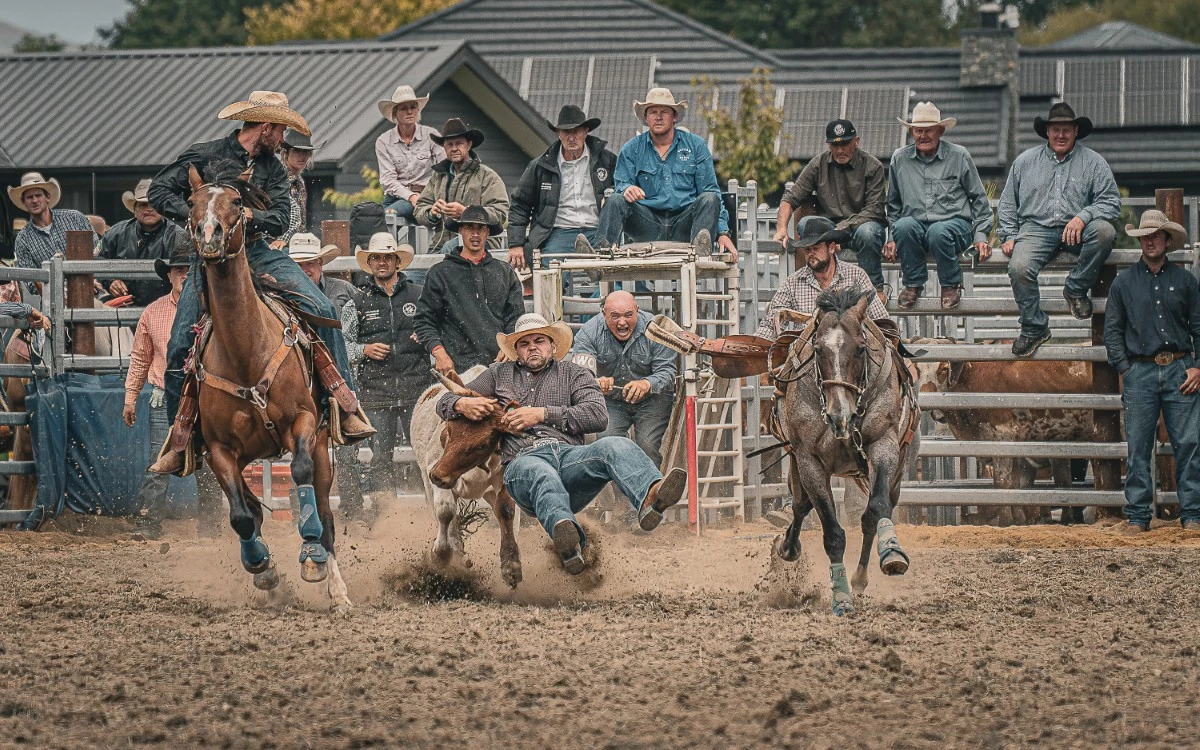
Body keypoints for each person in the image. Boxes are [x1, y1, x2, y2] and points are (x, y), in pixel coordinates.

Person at [146, 90, 373, 476]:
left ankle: (344, 405)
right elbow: (158, 191)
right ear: (265, 127)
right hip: (211, 258)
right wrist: (200, 213)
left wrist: (249, 216)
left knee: (323, 309)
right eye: (281, 131)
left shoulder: (273, 169)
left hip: (256, 252)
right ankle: (181, 438)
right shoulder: (205, 154)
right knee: (179, 342)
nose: (283, 139)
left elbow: (282, 217)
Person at [435, 313, 688, 574]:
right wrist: (460, 402)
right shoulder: (498, 374)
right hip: (523, 464)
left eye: (539, 341)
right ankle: (566, 537)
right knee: (540, 472)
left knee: (615, 445)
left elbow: (598, 416)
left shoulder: (574, 374)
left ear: (552, 346)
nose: (532, 347)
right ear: (516, 352)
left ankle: (651, 497)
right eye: (524, 344)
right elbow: (443, 402)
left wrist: (542, 413)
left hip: (569, 459)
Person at [1104, 211, 1200, 533]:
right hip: (1140, 370)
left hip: (1179, 368)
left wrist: (1197, 366)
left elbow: (1199, 328)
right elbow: (1113, 331)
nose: (1150, 240)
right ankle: (1139, 516)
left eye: (1156, 235)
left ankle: (1193, 515)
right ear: (1140, 241)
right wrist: (1126, 369)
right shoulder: (1123, 283)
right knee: (1138, 446)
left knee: (1188, 443)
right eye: (1145, 236)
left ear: (1167, 240)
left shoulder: (1186, 281)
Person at [999, 103, 1120, 357]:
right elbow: (1008, 203)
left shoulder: (1094, 162)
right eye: (1056, 130)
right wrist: (1009, 235)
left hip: (1078, 228)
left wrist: (1084, 216)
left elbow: (1111, 202)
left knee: (1104, 232)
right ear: (1047, 132)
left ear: (1076, 131)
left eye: (1066, 129)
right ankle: (1034, 327)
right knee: (1019, 268)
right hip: (1036, 228)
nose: (1061, 135)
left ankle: (1075, 288)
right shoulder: (1024, 162)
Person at [122, 240, 223, 539]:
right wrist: (130, 397)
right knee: (160, 456)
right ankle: (149, 521)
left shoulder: (212, 308)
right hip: (165, 395)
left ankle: (210, 524)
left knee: (211, 459)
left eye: (188, 270)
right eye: (178, 270)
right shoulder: (153, 313)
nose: (182, 275)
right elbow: (140, 357)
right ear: (168, 275)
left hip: (206, 395)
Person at [596, 88, 737, 258]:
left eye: (664, 112)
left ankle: (700, 254)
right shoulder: (631, 149)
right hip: (647, 223)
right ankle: (602, 255)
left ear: (674, 117)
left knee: (710, 198)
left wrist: (723, 233)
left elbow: (711, 191)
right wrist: (626, 189)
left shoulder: (696, 146)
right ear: (646, 118)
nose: (658, 116)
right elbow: (621, 184)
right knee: (615, 198)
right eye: (653, 112)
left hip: (686, 223)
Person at [883, 102, 992, 311]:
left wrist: (980, 236)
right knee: (903, 226)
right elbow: (894, 204)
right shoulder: (899, 159)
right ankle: (913, 283)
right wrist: (891, 238)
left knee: (938, 231)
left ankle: (950, 284)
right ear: (911, 132)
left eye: (929, 130)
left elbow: (979, 199)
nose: (923, 136)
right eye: (918, 130)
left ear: (940, 131)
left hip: (954, 225)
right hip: (915, 227)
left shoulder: (959, 156)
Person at [351, 232, 428, 512]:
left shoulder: (420, 296)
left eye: (387, 257)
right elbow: (344, 344)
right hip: (376, 391)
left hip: (416, 389)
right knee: (381, 457)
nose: (382, 262)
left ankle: (430, 513)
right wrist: (364, 350)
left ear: (397, 261)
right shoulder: (358, 302)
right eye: (376, 258)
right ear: (370, 263)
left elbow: (438, 329)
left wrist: (427, 337)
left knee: (424, 453)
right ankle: (387, 515)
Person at [774, 119, 887, 292]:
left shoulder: (873, 166)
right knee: (805, 224)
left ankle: (873, 290)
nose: (840, 150)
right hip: (828, 233)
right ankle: (809, 286)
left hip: (861, 228)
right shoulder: (818, 164)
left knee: (869, 232)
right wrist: (781, 228)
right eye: (835, 145)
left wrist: (841, 229)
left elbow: (875, 209)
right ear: (828, 145)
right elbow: (790, 198)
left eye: (845, 143)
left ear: (856, 141)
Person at [570, 291, 676, 468]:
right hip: (611, 401)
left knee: (648, 446)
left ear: (637, 311)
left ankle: (650, 491)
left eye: (628, 315)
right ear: (604, 314)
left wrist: (646, 383)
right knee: (608, 442)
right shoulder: (588, 332)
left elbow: (667, 370)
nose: (622, 322)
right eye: (615, 316)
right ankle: (623, 492)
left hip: (653, 399)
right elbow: (580, 375)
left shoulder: (657, 330)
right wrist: (595, 383)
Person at [414, 205, 524, 376]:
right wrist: (439, 353)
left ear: (487, 232)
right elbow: (424, 319)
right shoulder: (440, 272)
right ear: (460, 231)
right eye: (469, 227)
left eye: (481, 228)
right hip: (456, 367)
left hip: (498, 365)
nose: (475, 233)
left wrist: (509, 344)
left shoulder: (504, 272)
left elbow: (515, 318)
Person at [507, 105, 616, 271]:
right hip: (558, 233)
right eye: (566, 132)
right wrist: (515, 244)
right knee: (550, 276)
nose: (571, 137)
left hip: (599, 231)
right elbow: (519, 205)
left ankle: (595, 294)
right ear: (558, 133)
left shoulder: (608, 160)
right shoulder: (540, 166)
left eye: (576, 131)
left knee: (611, 275)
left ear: (586, 131)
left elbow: (624, 191)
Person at [757, 217, 890, 340]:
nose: (811, 254)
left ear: (831, 248)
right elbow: (770, 325)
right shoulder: (793, 283)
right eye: (807, 249)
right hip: (806, 357)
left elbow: (881, 321)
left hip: (850, 358)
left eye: (816, 248)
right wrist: (754, 345)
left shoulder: (857, 276)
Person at [413, 118, 508, 253]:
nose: (454, 148)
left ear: (469, 145)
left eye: (459, 143)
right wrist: (432, 213)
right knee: (413, 273)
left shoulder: (488, 176)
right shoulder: (437, 177)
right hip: (440, 245)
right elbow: (419, 209)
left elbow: (500, 213)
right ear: (444, 148)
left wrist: (466, 213)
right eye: (449, 144)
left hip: (481, 244)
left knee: (447, 253)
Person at [99, 178, 187, 307]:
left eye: (154, 204)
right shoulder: (115, 233)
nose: (149, 209)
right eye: (143, 204)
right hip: (122, 309)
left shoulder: (178, 236)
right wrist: (110, 280)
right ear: (134, 209)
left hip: (166, 308)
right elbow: (98, 259)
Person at [9, 172, 97, 294]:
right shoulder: (23, 239)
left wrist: (90, 280)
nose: (34, 200)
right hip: (52, 302)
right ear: (23, 202)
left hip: (91, 290)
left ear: (48, 197)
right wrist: (62, 289)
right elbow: (31, 283)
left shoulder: (75, 218)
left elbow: (97, 250)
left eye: (38, 195)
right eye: (29, 197)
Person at [376, 86, 444, 223]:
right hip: (395, 198)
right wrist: (411, 196)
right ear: (395, 113)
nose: (409, 111)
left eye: (413, 107)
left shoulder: (432, 136)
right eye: (403, 108)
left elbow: (445, 170)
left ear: (418, 111)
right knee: (373, 218)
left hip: (426, 197)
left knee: (383, 220)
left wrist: (432, 196)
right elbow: (388, 180)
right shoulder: (383, 141)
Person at [269, 130, 316, 249]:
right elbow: (293, 211)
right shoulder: (280, 176)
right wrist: (283, 239)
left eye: (305, 151)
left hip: (294, 242)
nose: (302, 156)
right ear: (286, 153)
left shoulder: (299, 180)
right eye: (297, 151)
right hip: (275, 242)